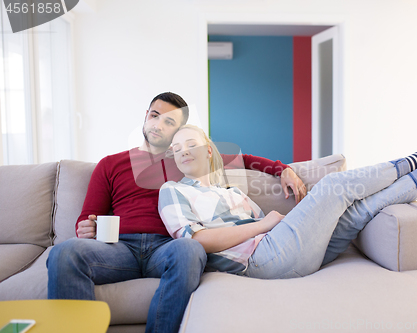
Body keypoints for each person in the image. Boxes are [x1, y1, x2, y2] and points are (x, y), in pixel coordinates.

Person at [46, 92, 307, 333]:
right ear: (145, 117)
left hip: (167, 247)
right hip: (120, 249)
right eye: (154, 115)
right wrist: (85, 227)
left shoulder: (187, 159)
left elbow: (245, 159)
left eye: (169, 121)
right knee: (64, 252)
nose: (158, 124)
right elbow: (87, 216)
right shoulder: (110, 164)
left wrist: (283, 169)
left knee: (190, 248)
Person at [158, 116, 417, 278]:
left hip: (287, 248)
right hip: (261, 262)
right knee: (331, 187)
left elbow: (253, 167)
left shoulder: (228, 189)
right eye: (177, 148)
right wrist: (263, 225)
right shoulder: (172, 191)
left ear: (208, 149)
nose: (184, 151)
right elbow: (195, 241)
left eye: (192, 144)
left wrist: (301, 215)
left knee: (358, 213)